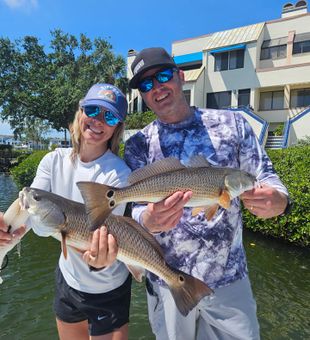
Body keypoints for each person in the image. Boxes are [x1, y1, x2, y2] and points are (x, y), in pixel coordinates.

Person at [123, 47, 291, 340]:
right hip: (167, 282)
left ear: (181, 76)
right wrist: (148, 217)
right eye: (146, 85)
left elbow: (265, 175)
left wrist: (279, 200)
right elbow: (132, 212)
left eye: (163, 76)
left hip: (229, 280)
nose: (156, 88)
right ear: (143, 95)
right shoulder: (138, 144)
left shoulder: (234, 124)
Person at [0, 83, 132, 340]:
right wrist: (5, 226)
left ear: (118, 127)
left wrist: (101, 260)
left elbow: (108, 235)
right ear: (80, 112)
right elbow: (29, 205)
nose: (98, 120)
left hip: (109, 286)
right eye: (93, 110)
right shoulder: (53, 160)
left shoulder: (119, 175)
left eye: (110, 116)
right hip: (68, 282)